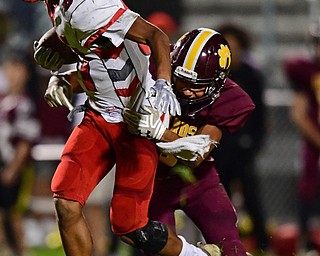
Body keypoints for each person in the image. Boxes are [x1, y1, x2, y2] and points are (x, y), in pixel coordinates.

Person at [23, 0, 221, 255]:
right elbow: (98, 61)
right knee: (66, 202)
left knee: (130, 228)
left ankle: (197, 255)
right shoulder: (61, 8)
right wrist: (64, 80)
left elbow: (154, 35)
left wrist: (162, 83)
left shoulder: (89, 6)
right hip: (98, 117)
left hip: (136, 121)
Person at [122, 28, 255, 256]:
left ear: (217, 84)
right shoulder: (152, 71)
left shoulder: (230, 98)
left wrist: (159, 133)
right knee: (158, 248)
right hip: (152, 182)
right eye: (181, 80)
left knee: (231, 248)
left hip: (197, 180)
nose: (185, 90)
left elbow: (196, 154)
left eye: (195, 85)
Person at [212, 23, 268, 253]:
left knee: (252, 199)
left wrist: (252, 144)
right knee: (216, 203)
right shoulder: (212, 75)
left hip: (243, 150)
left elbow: (260, 116)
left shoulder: (251, 76)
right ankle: (217, 243)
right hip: (218, 149)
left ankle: (263, 243)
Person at [283, 20, 320, 253]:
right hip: (315, 144)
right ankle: (306, 243)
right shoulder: (308, 72)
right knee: (308, 188)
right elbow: (298, 112)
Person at [0, 50, 41, 256]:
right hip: (3, 164)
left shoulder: (24, 103)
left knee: (14, 214)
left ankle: (22, 251)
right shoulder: (5, 102)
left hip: (17, 168)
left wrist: (13, 168)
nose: (11, 73)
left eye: (16, 68)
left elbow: (25, 142)